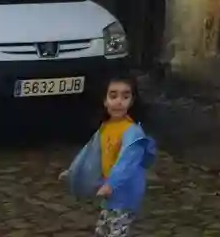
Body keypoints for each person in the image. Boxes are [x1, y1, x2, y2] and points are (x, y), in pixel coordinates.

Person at [64, 74, 157, 235]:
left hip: (125, 193)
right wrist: (73, 171)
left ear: (132, 101)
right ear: (105, 100)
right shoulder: (106, 127)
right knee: (102, 230)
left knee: (116, 231)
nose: (119, 101)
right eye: (113, 96)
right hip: (110, 193)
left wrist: (111, 185)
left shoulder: (132, 132)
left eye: (125, 96)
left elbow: (127, 162)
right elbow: (90, 152)